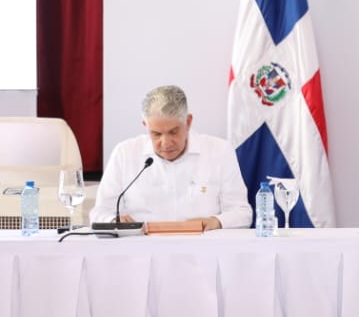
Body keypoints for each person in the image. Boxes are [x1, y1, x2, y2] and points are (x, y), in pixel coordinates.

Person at [90, 85, 251, 229]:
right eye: (156, 133)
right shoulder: (124, 153)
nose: (165, 143)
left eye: (173, 132)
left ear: (188, 122)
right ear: (145, 125)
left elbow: (242, 213)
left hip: (201, 248)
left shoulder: (220, 151)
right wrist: (114, 221)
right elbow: (100, 213)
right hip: (141, 248)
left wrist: (215, 222)